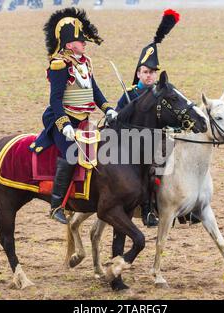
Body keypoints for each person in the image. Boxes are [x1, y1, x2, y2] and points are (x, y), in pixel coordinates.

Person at [29, 7, 117, 225]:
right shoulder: (60, 65)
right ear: (69, 44)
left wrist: (108, 108)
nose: (84, 42)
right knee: (70, 153)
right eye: (80, 40)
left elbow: (94, 91)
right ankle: (56, 204)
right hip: (61, 118)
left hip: (84, 120)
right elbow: (55, 100)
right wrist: (64, 124)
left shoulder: (85, 62)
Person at [115, 9, 180, 228]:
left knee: (174, 163)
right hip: (130, 146)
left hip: (158, 141)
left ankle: (180, 208)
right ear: (138, 73)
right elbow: (117, 120)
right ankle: (146, 208)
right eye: (145, 71)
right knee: (148, 168)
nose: (149, 75)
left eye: (153, 72)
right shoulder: (130, 94)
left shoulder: (161, 94)